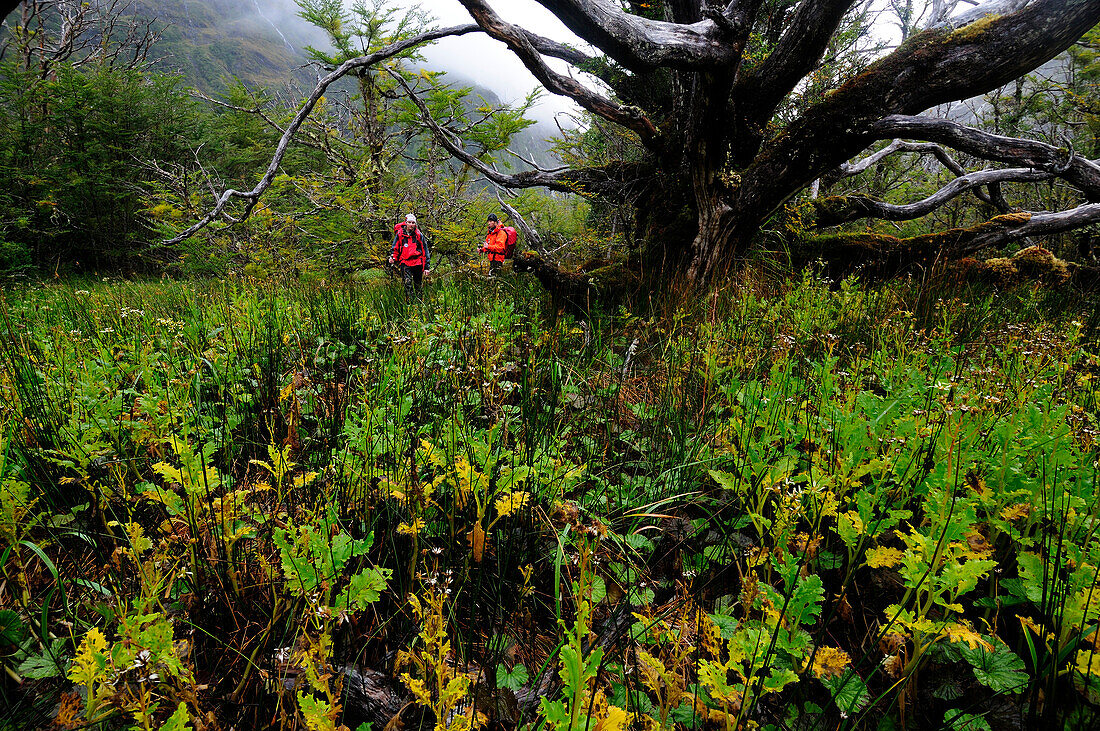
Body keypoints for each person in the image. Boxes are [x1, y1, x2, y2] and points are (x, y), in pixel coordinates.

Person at [389, 213, 430, 299]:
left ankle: (419, 303)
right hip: (405, 262)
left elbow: (425, 251)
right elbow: (395, 247)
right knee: (407, 284)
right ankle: (410, 304)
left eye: (413, 223)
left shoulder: (419, 235)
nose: (411, 225)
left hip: (417, 262)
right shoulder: (400, 234)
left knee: (418, 284)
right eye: (409, 222)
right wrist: (393, 257)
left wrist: (426, 267)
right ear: (406, 223)